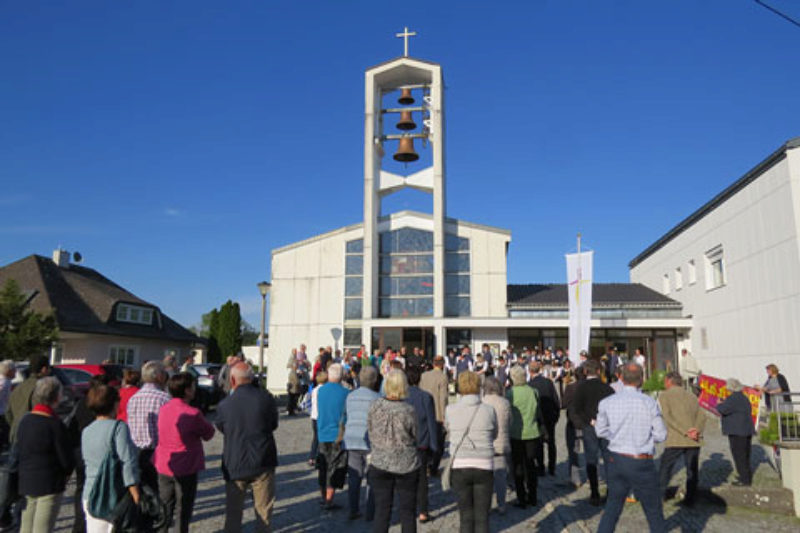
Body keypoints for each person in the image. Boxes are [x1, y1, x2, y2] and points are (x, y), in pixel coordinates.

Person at [595, 363, 667, 533]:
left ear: (620, 377)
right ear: (641, 380)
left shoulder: (606, 402)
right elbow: (661, 434)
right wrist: (647, 438)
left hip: (616, 459)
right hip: (641, 461)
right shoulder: (649, 403)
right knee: (653, 511)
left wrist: (616, 436)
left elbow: (600, 431)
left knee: (612, 507)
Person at [216, 363, 279, 532]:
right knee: (263, 512)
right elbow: (273, 424)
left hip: (235, 460)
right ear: (252, 379)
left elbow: (222, 428)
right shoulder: (266, 399)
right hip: (263, 459)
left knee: (233, 514)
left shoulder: (225, 404)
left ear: (233, 380)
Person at [154, 372, 215, 533]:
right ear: (187, 390)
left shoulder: (164, 409)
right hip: (186, 465)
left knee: (165, 505)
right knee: (183, 507)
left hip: (163, 462)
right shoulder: (192, 413)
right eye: (193, 386)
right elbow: (209, 434)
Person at [16, 377, 74, 533]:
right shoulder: (55, 424)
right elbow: (66, 459)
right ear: (57, 397)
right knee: (42, 528)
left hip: (27, 480)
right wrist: (67, 472)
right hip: (49, 482)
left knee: (26, 527)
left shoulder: (25, 420)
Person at [82, 384, 140, 532]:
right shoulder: (118, 428)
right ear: (114, 404)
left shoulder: (87, 431)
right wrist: (135, 493)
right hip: (111, 494)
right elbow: (127, 461)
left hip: (90, 492)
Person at [367, 370, 419, 533]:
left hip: (381, 461)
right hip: (406, 463)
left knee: (382, 511)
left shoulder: (374, 407)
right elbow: (415, 434)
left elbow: (370, 430)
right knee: (407, 512)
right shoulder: (409, 410)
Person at [447, 371, 497, 533]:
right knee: (482, 516)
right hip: (484, 463)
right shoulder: (489, 410)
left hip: (460, 463)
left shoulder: (450, 409)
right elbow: (494, 434)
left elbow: (449, 430)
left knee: (465, 515)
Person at [569, 359, 614, 506]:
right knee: (608, 459)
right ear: (599, 371)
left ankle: (594, 492)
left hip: (590, 426)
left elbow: (576, 408)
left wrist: (589, 420)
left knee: (591, 459)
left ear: (585, 372)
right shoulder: (607, 387)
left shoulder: (581, 388)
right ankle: (610, 491)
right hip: (607, 427)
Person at [658, 372, 705, 506]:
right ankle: (690, 499)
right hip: (694, 439)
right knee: (692, 470)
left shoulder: (664, 396)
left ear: (668, 381)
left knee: (666, 468)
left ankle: (660, 496)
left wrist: (686, 431)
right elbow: (702, 416)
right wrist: (695, 430)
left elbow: (668, 417)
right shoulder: (692, 396)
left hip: (676, 439)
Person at [126, 360, 171, 492]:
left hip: (136, 451)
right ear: (158, 376)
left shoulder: (134, 398)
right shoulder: (164, 398)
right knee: (157, 492)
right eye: (164, 373)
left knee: (142, 494)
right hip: (156, 452)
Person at [343, 366, 380, 521]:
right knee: (372, 476)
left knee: (354, 476)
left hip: (352, 437)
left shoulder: (350, 396)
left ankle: (353, 509)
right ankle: (370, 512)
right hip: (370, 440)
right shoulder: (377, 398)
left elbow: (345, 416)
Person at [405, 366, 438, 523]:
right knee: (421, 479)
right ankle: (423, 511)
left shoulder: (402, 397)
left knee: (405, 478)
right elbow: (432, 423)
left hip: (405, 443)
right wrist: (435, 446)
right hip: (421, 443)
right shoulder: (426, 397)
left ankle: (407, 509)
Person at [506, 365, 541, 508]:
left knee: (518, 465)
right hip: (532, 432)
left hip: (516, 434)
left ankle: (521, 497)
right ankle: (533, 496)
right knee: (531, 465)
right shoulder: (534, 391)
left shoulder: (510, 393)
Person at [316, 363, 350, 510]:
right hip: (337, 433)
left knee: (323, 465)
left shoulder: (320, 391)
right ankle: (329, 499)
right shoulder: (346, 393)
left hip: (322, 432)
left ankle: (324, 496)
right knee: (335, 465)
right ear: (341, 375)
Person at [717, 378, 756, 486]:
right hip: (746, 430)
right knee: (746, 455)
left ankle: (744, 480)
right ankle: (746, 477)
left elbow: (723, 409)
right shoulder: (743, 397)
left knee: (739, 456)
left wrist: (719, 403)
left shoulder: (733, 398)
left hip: (737, 431)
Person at [482, 376, 511, 514]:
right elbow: (510, 422)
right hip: (500, 443)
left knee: (486, 477)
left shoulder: (482, 402)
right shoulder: (504, 403)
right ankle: (501, 504)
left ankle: (486, 505)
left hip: (485, 443)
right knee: (501, 476)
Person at [6, 354, 50, 443]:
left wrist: (15, 425)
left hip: (15, 434)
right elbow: (40, 414)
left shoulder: (18, 387)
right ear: (44, 369)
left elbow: (8, 412)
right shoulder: (41, 388)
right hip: (31, 437)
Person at [528, 361, 559, 476]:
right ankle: (552, 468)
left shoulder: (530, 385)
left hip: (538, 418)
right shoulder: (548, 382)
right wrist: (556, 415)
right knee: (551, 443)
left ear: (530, 371)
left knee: (539, 444)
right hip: (550, 416)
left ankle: (541, 468)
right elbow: (556, 400)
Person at [420, 355, 449, 476]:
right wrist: (444, 416)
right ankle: (433, 467)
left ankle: (425, 464)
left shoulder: (424, 375)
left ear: (433, 363)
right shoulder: (443, 377)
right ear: (442, 365)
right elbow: (443, 398)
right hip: (437, 413)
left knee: (425, 441)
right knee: (438, 443)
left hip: (424, 411)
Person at [562, 366, 584, 487]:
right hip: (588, 422)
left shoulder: (571, 387)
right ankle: (594, 477)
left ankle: (576, 479)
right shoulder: (590, 386)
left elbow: (564, 403)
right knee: (592, 452)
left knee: (573, 451)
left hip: (573, 421)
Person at [309, 371, 327, 467]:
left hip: (314, 416)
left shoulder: (314, 390)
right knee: (321, 439)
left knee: (315, 437)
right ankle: (319, 458)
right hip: (321, 416)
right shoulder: (324, 390)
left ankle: (312, 456)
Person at [0, 361, 16, 450]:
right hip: (2, 414)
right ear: (8, 371)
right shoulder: (4, 382)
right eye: (14, 370)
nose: (16, 372)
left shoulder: (6, 381)